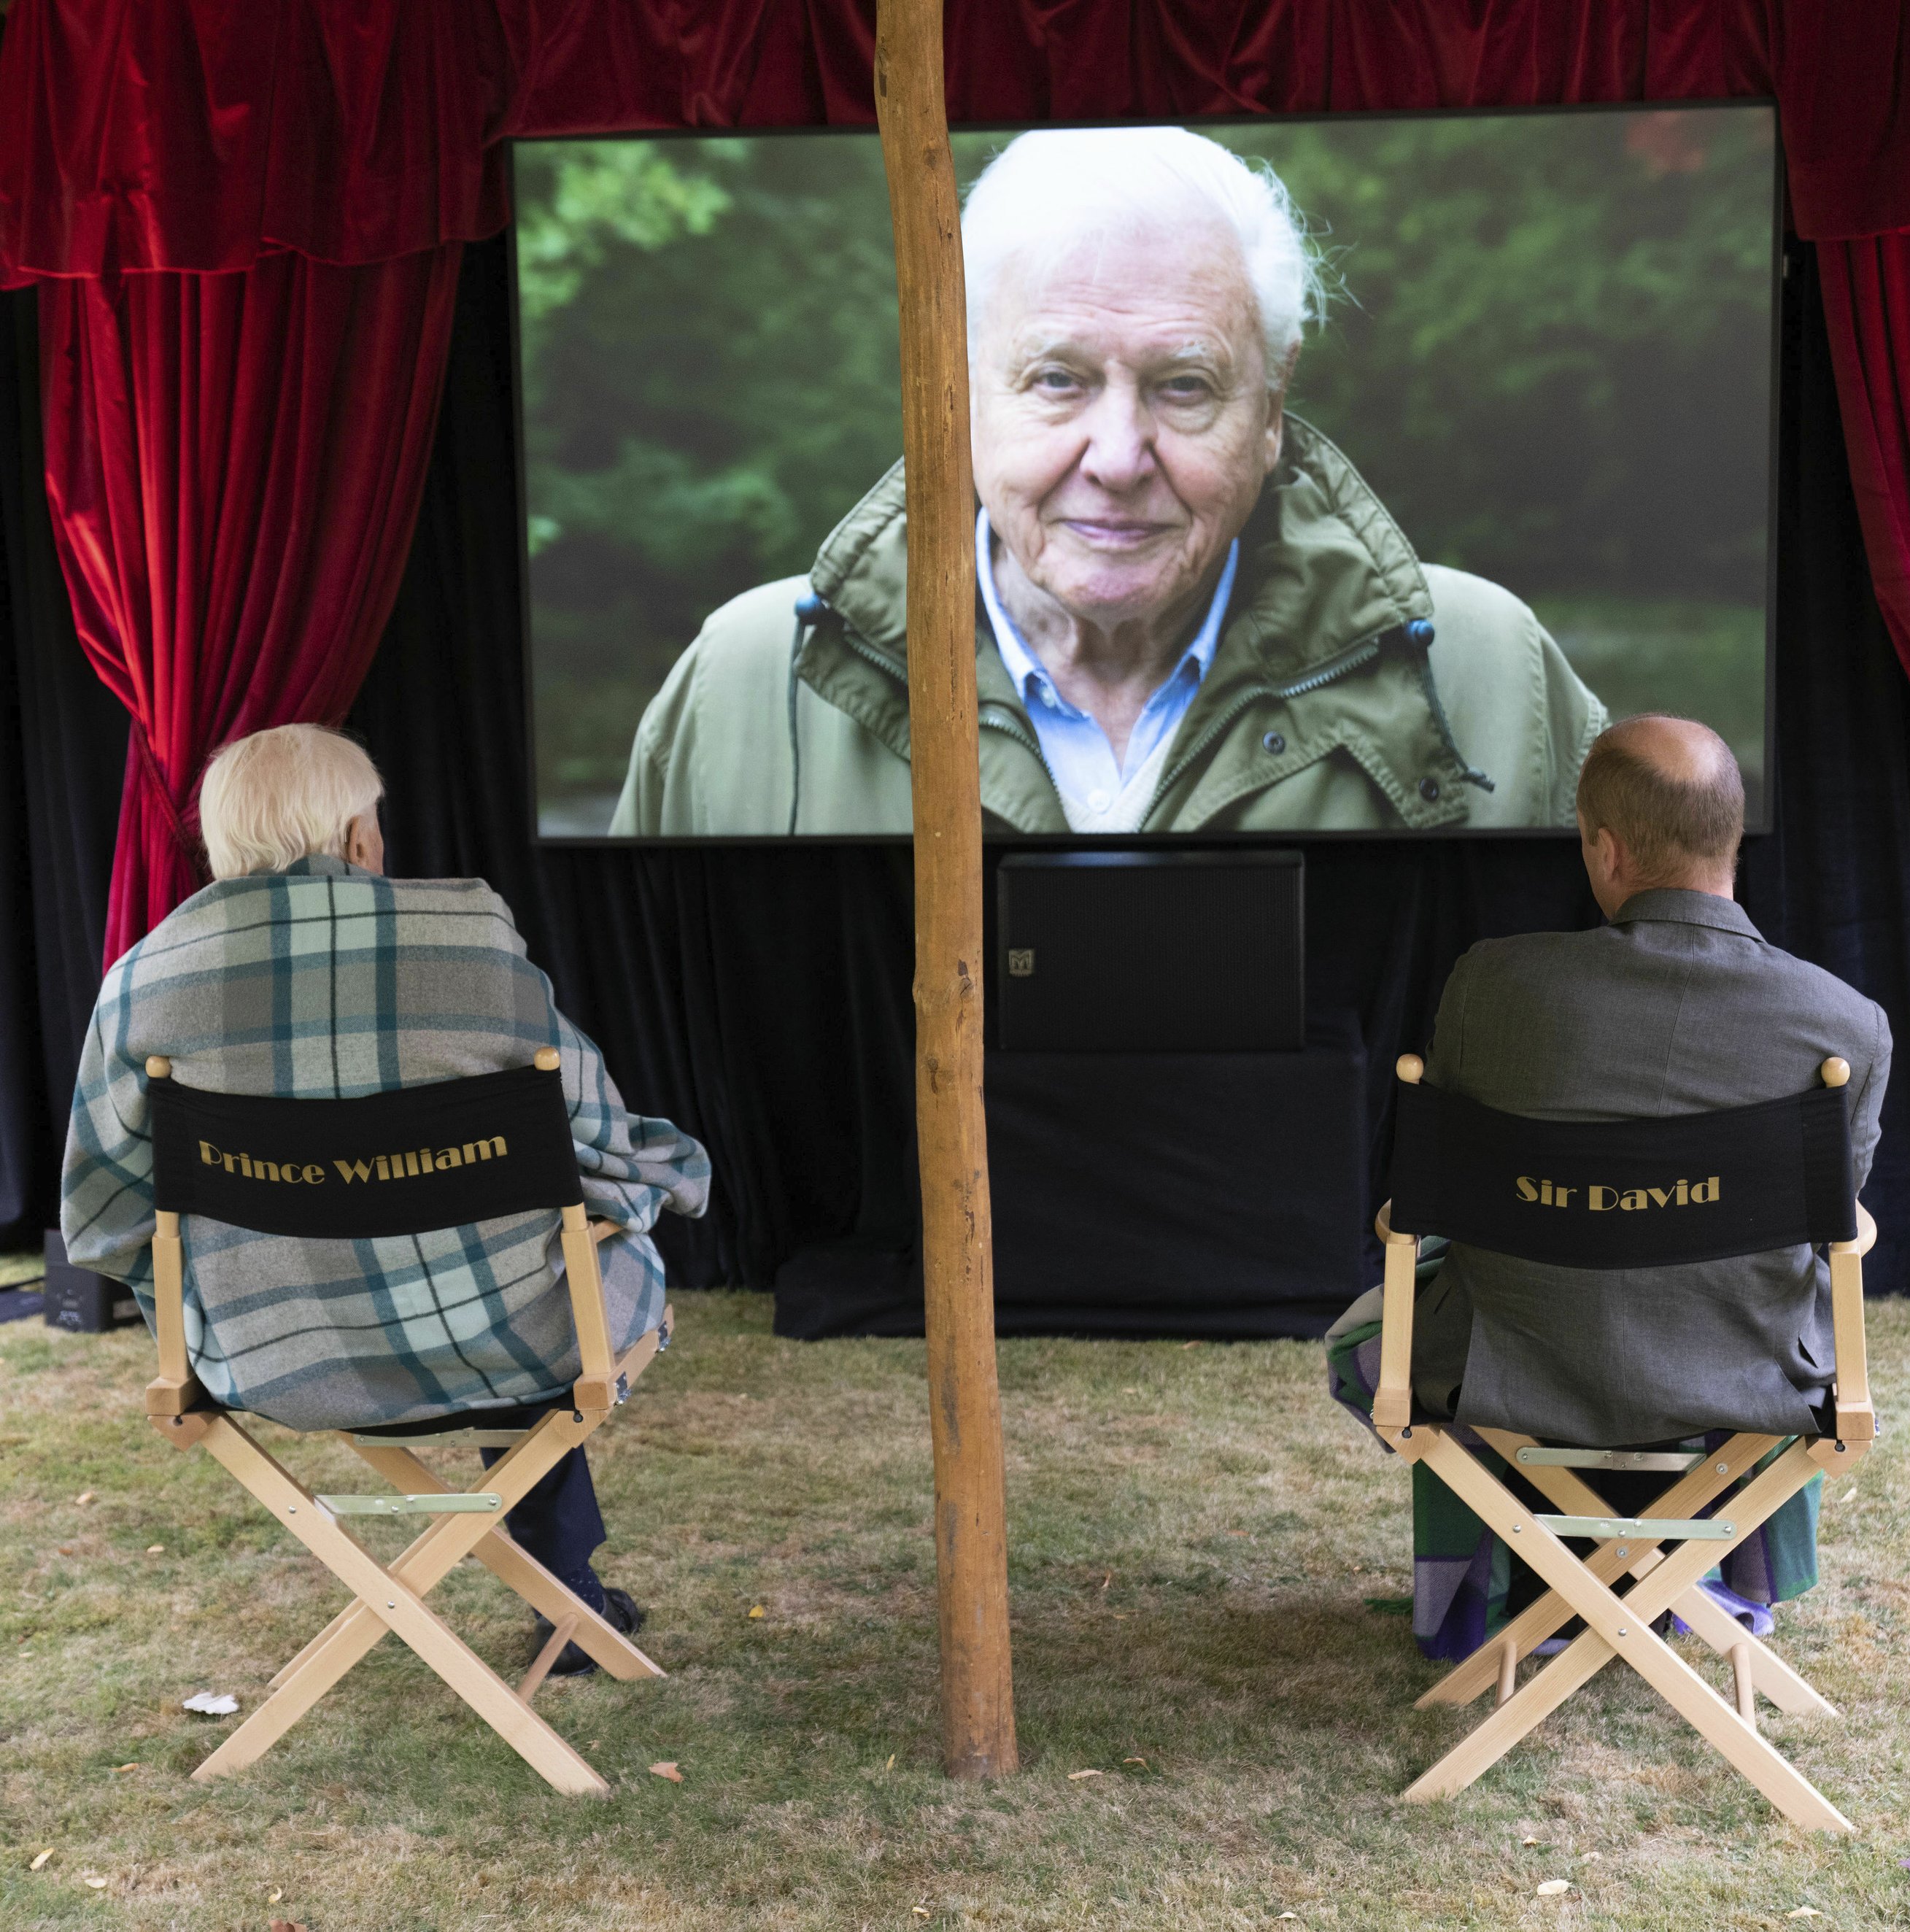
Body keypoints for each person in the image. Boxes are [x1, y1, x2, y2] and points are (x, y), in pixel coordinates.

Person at [613, 126, 1608, 838]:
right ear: (954, 394)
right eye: (1058, 379)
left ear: (1270, 408)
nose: (1119, 457)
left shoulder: (1489, 679)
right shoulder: (745, 685)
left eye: (1184, 386)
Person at [62, 724, 711, 1676]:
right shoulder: (471, 939)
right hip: (510, 1338)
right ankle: (565, 1594)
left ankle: (567, 1591)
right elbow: (599, 1128)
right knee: (550, 1266)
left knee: (527, 1261)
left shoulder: (142, 982)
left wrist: (220, 1284)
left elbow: (102, 1213)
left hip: (267, 1360)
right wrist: (656, 1182)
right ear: (357, 839)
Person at [1326, 714, 1891, 1658]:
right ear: (1730, 837)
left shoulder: (1491, 987)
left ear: (1606, 847)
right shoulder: (1846, 1025)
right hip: (1747, 1381)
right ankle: (1712, 1583)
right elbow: (1820, 1230)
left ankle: (1502, 1594)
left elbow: (1448, 1193)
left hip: (1508, 1369)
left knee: (1376, 1326)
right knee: (1807, 1298)